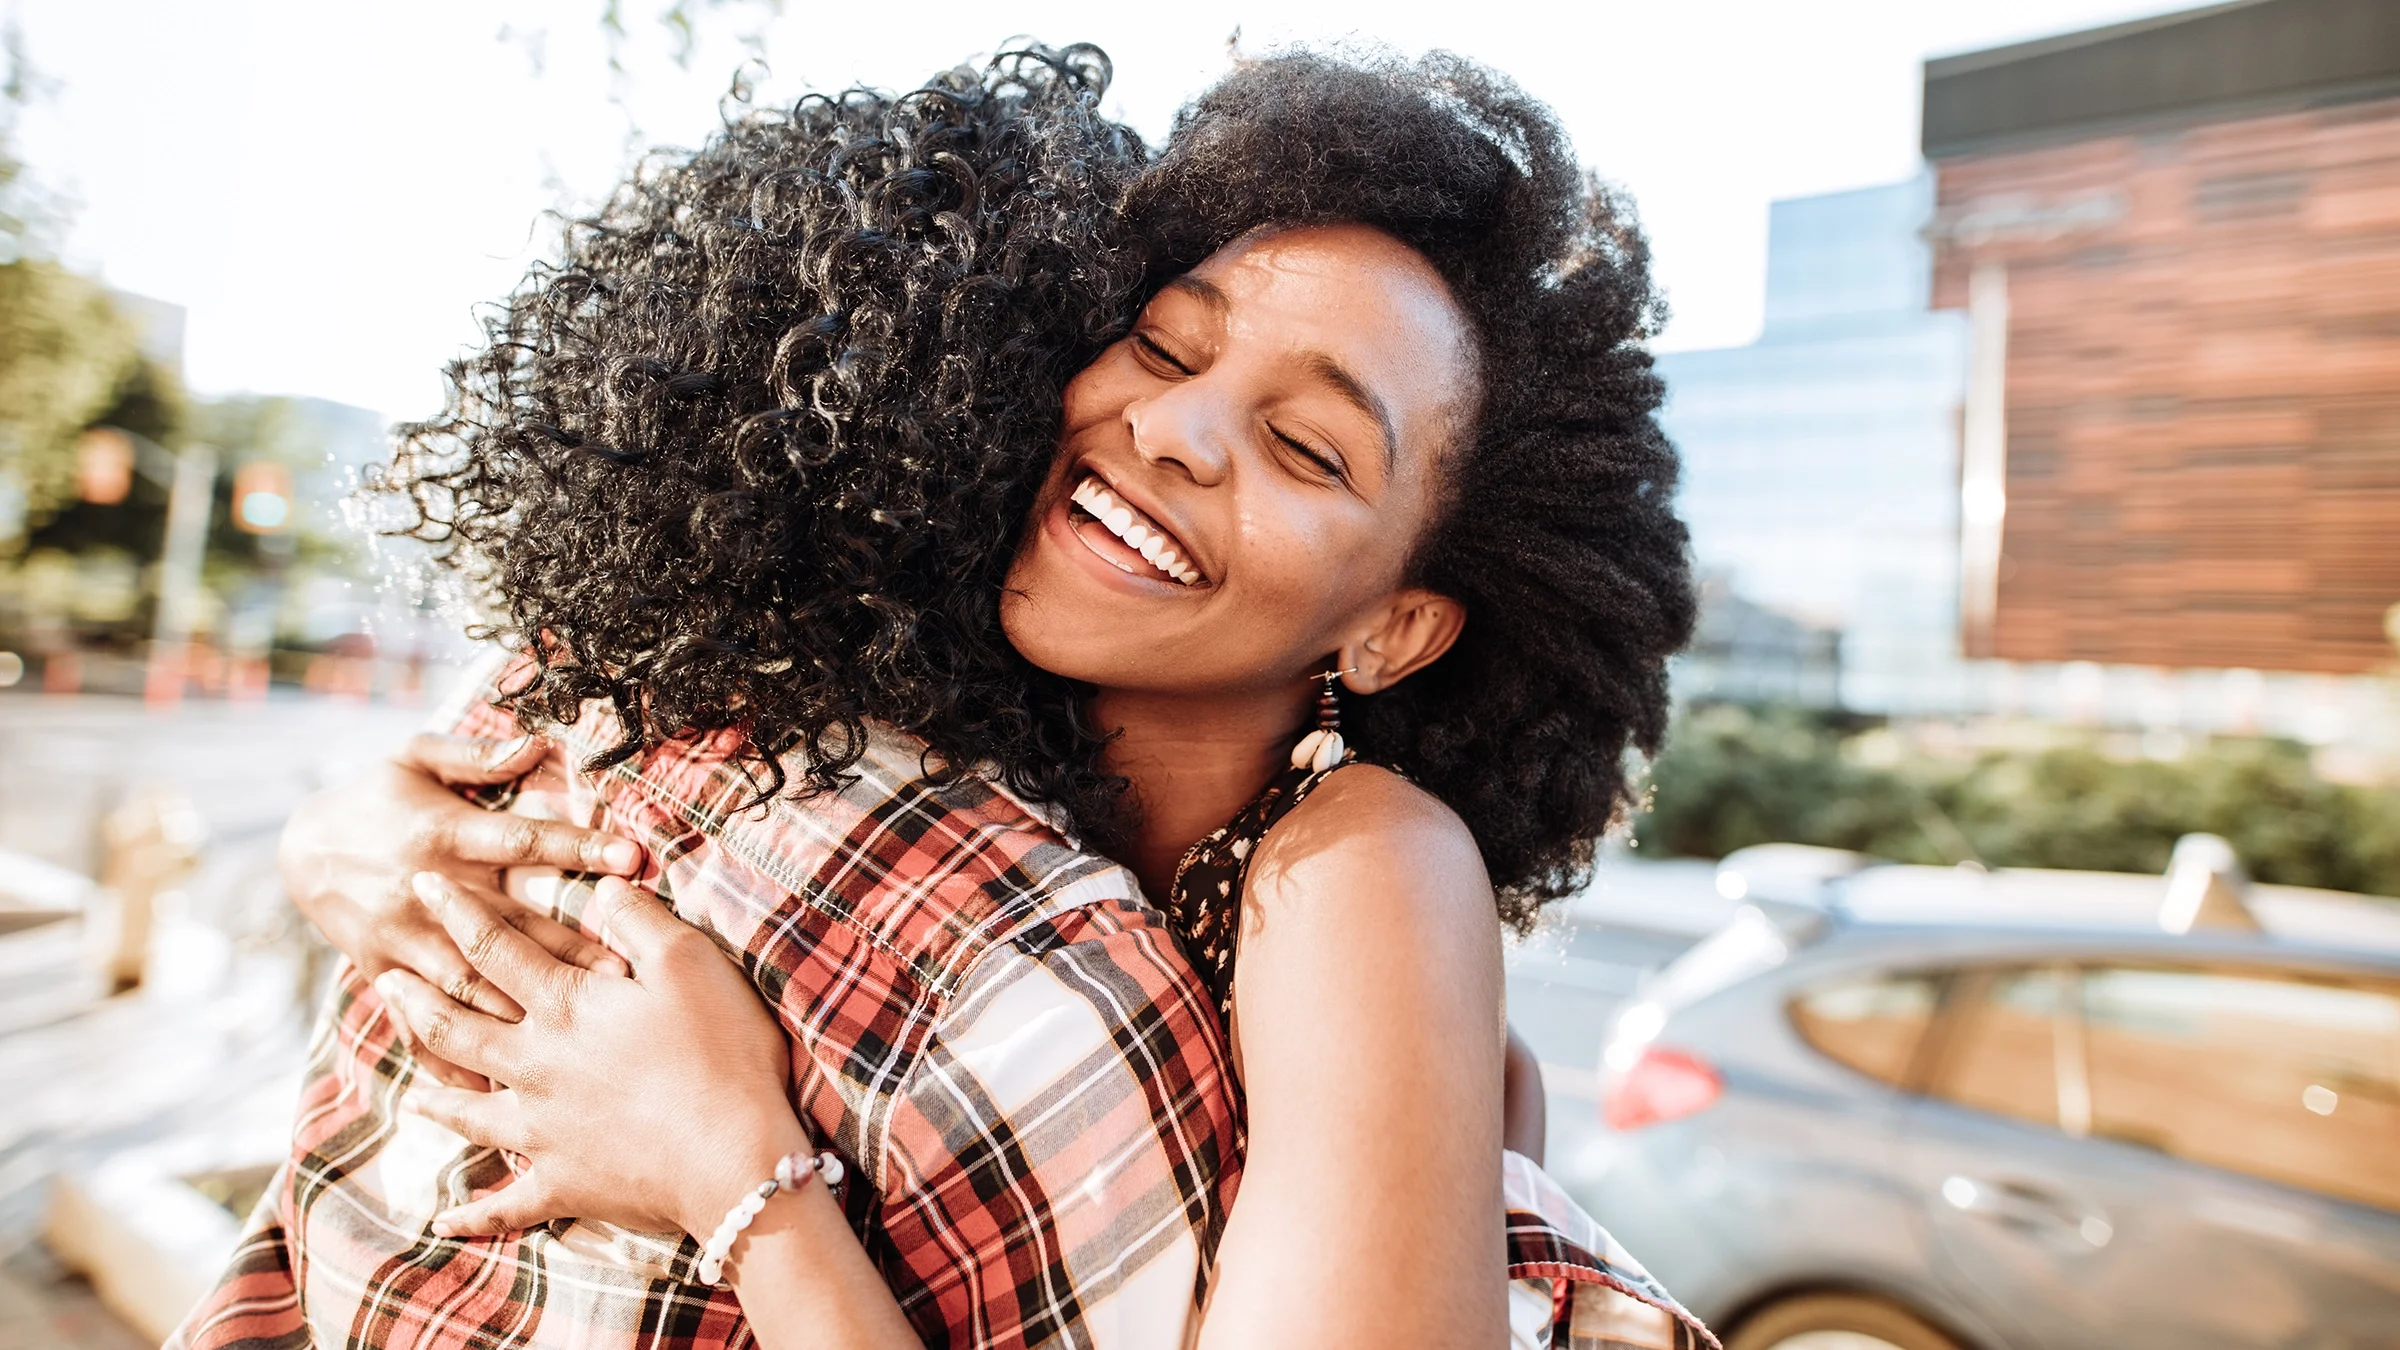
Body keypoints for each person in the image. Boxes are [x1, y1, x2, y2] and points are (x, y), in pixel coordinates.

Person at [182, 43, 1711, 1350]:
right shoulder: (937, 750)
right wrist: (353, 838)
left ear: (1393, 627)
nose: (1173, 428)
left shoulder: (1363, 866)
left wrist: (732, 1169)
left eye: (1307, 447)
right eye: (1163, 343)